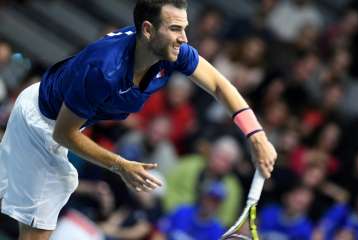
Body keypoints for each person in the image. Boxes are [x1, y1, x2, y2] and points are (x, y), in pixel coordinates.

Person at [0, 0, 277, 239]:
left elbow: (218, 84)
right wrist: (120, 165)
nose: (185, 38)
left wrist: (256, 135)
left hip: (58, 119)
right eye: (175, 29)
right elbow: (63, 134)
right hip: (40, 123)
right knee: (38, 229)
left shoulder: (172, 52)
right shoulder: (105, 70)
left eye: (185, 28)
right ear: (147, 30)